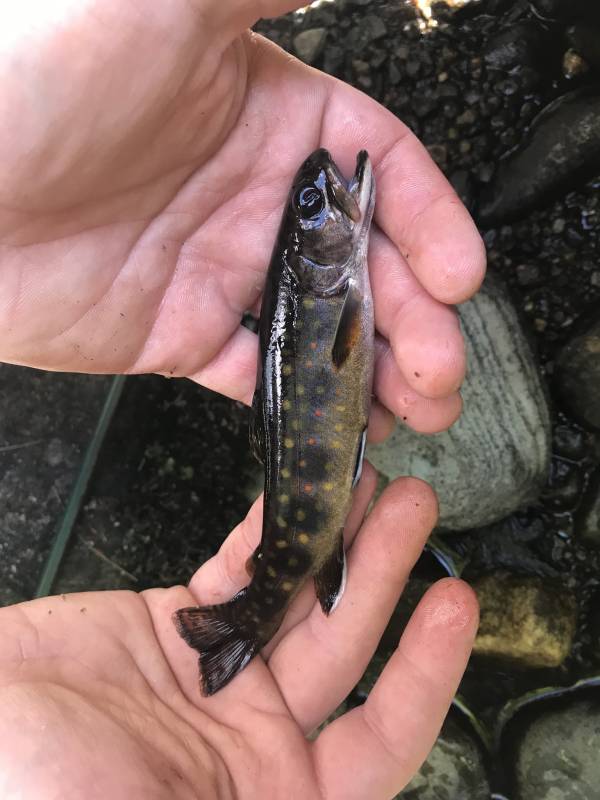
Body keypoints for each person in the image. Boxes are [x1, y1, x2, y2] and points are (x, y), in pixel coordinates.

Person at [0, 1, 485, 797]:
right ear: (311, 258)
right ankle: (249, 618)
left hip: (308, 460)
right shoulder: (330, 294)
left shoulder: (327, 291)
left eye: (313, 206)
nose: (325, 195)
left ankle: (252, 615)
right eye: (313, 209)